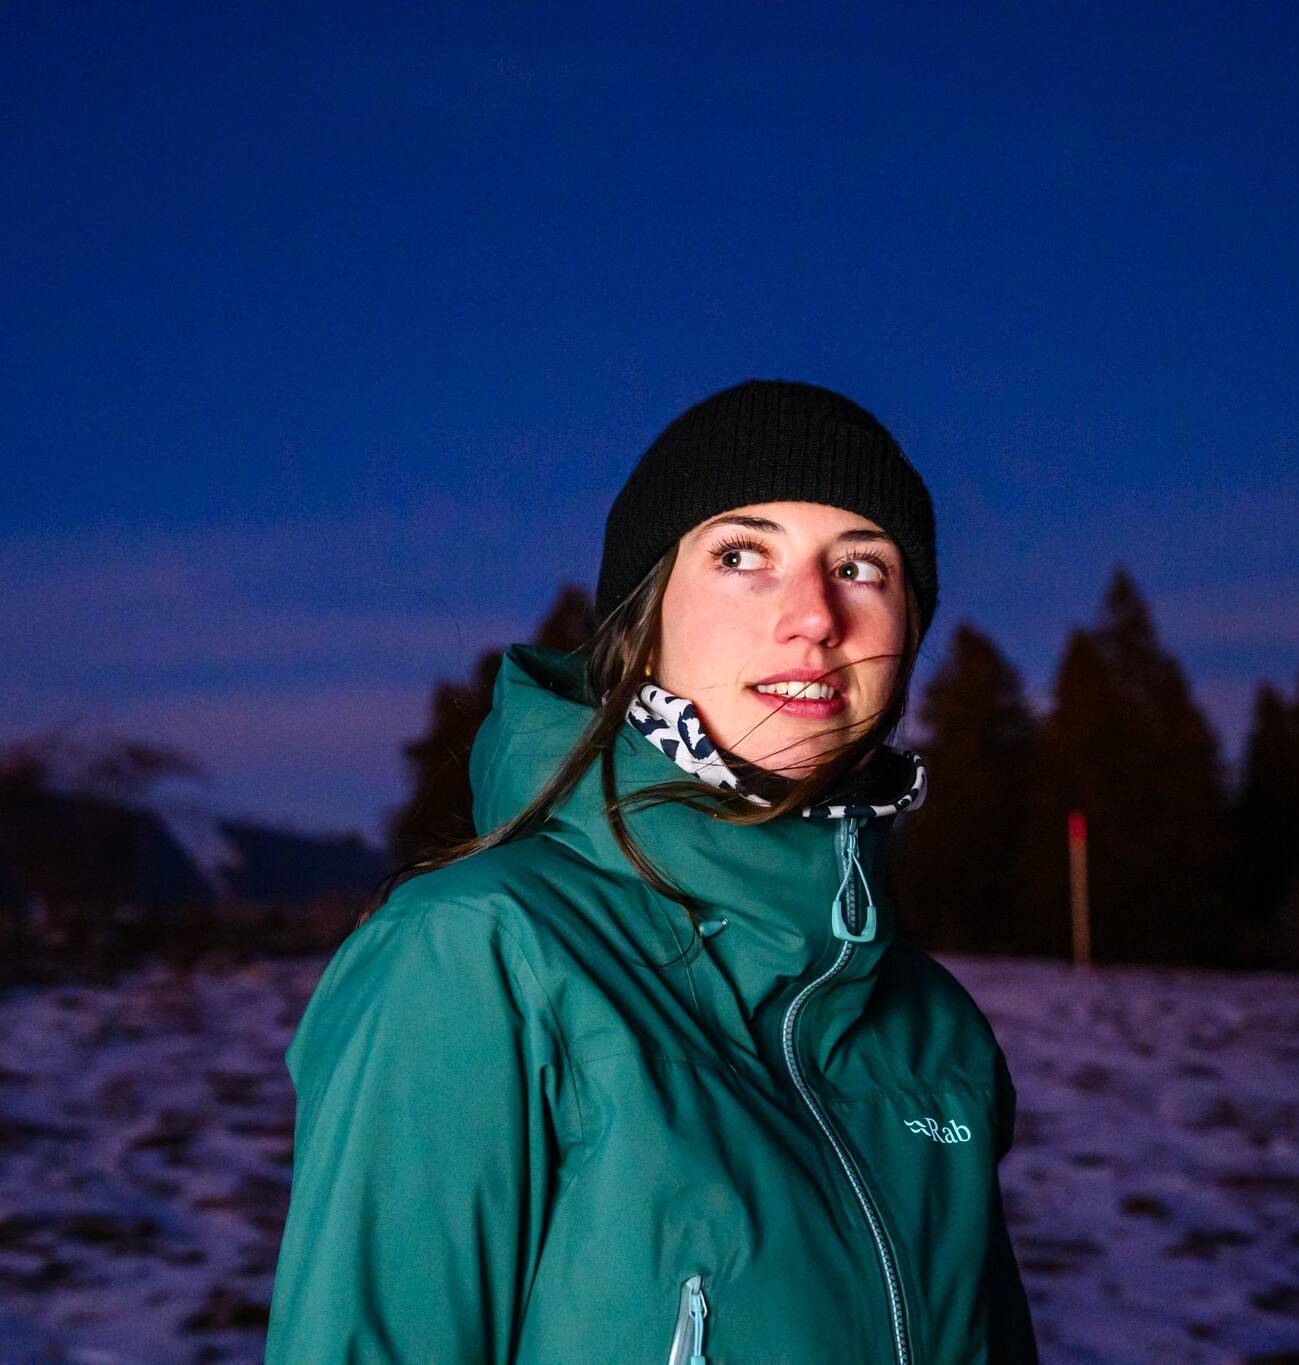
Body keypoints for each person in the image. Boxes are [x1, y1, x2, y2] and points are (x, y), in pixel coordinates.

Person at [264, 379, 1038, 1363]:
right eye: (742, 556)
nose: (814, 616)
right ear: (647, 616)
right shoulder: (479, 954)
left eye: (863, 566)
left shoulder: (935, 1030)